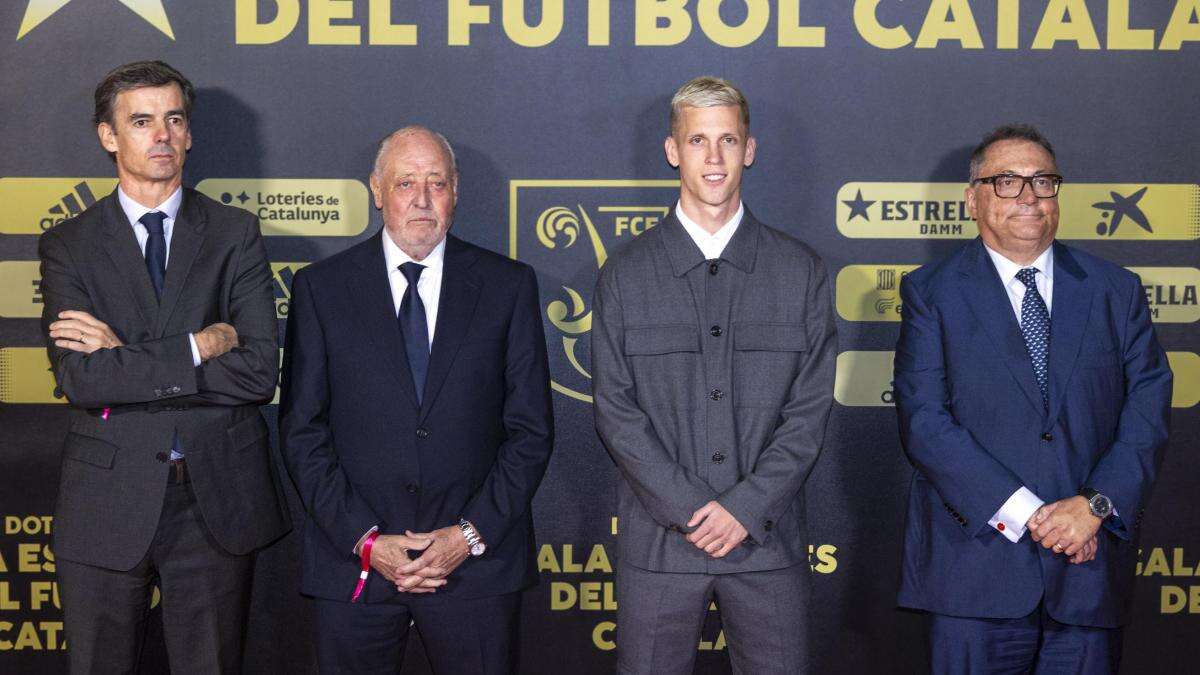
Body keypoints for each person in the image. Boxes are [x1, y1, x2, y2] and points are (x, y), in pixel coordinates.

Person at [39, 60, 291, 673]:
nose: (162, 135)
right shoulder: (69, 244)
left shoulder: (235, 233)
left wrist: (125, 356)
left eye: (174, 120)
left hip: (215, 502)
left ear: (189, 133)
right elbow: (81, 378)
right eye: (142, 121)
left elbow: (259, 372)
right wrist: (197, 347)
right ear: (108, 136)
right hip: (107, 498)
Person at [894, 124, 1173, 673]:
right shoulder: (931, 293)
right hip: (974, 578)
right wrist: (1035, 515)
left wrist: (1093, 508)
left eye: (1043, 181)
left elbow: (1148, 408)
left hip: (1087, 572)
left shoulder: (1115, 290)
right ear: (972, 199)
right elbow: (925, 422)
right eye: (1007, 182)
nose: (1029, 196)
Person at [279, 125, 554, 674]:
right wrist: (367, 541)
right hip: (353, 565)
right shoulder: (321, 289)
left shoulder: (508, 286)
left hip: (475, 569)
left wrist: (467, 536)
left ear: (456, 191)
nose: (422, 200)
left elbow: (531, 432)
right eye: (406, 183)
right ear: (377, 191)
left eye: (437, 183)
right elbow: (302, 432)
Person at [591, 76, 837, 674]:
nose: (714, 157)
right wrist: (691, 509)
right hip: (659, 550)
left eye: (728, 139)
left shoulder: (800, 271)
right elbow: (616, 415)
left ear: (750, 149)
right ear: (672, 151)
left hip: (766, 546)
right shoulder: (624, 275)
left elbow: (807, 416)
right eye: (698, 140)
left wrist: (745, 508)